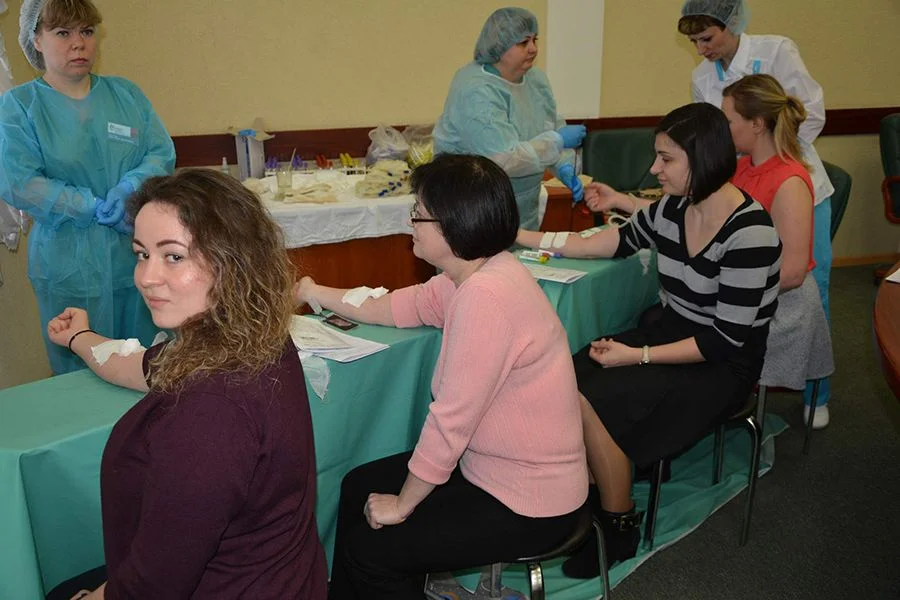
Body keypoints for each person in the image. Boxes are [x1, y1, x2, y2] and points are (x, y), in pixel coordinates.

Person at [294, 154, 588, 599]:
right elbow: (388, 307)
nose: (410, 221)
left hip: (529, 500)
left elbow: (451, 422)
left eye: (419, 212)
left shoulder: (485, 297)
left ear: (453, 224)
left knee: (371, 551)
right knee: (358, 486)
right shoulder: (474, 274)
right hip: (495, 470)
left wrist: (403, 505)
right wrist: (313, 291)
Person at [517, 103, 782, 575]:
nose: (655, 169)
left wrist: (636, 355)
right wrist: (520, 235)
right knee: (565, 378)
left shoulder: (751, 232)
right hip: (672, 335)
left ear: (703, 159)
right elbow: (605, 243)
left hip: (724, 364)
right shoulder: (671, 209)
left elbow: (723, 340)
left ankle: (618, 523)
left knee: (599, 399)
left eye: (666, 158)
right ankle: (593, 498)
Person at [43, 170, 328, 600]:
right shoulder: (253, 335)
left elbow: (154, 583)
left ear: (233, 261)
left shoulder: (210, 411)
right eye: (142, 254)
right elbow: (139, 364)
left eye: (173, 256)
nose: (146, 277)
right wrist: (79, 338)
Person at [0, 0, 176, 375]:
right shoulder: (20, 107)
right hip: (68, 263)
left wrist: (131, 186)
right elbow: (18, 181)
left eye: (87, 31)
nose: (78, 43)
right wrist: (86, 204)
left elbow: (160, 152)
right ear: (36, 39)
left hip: (136, 254)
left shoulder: (126, 95)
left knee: (148, 363)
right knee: (80, 369)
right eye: (63, 32)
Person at [678, 0, 834, 410]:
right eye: (694, 42)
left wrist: (772, 162)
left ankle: (816, 394)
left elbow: (810, 114)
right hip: (748, 183)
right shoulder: (701, 77)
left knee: (811, 291)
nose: (702, 49)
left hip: (794, 183)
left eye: (707, 38)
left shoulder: (777, 50)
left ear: (731, 24)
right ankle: (747, 380)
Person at [722, 73, 834, 427]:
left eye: (728, 120)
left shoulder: (789, 181)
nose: (723, 129)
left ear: (756, 124)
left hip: (783, 304)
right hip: (754, 290)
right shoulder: (742, 168)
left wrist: (726, 291)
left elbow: (793, 273)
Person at [432, 7, 586, 231]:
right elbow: (503, 159)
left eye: (535, 40)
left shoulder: (534, 80)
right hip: (474, 209)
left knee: (520, 253)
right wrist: (557, 141)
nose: (533, 48)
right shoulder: (476, 90)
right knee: (481, 254)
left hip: (523, 210)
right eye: (523, 42)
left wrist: (563, 165)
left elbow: (548, 126)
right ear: (499, 46)